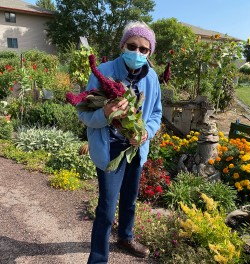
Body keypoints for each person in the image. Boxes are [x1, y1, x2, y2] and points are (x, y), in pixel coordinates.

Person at [78, 21, 162, 264]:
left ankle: (126, 237)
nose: (137, 52)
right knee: (106, 207)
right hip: (110, 150)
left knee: (130, 199)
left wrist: (147, 132)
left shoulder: (152, 77)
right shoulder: (102, 73)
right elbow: (83, 114)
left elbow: (156, 113)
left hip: (136, 148)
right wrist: (105, 113)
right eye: (132, 46)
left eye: (143, 49)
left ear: (149, 52)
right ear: (123, 45)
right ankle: (98, 259)